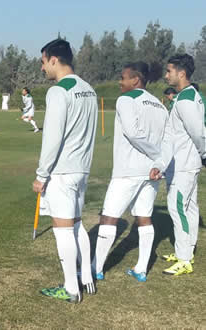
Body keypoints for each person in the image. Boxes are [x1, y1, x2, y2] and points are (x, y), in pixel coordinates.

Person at [33, 39, 98, 303]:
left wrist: (41, 175)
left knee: (62, 229)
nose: (41, 68)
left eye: (43, 62)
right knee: (77, 225)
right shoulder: (89, 89)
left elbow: (52, 137)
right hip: (82, 169)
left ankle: (71, 288)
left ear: (54, 60)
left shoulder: (59, 91)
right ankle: (87, 277)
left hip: (61, 171)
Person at [91, 62, 168, 283]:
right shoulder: (159, 105)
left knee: (108, 218)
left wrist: (155, 155)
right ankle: (141, 269)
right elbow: (167, 139)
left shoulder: (126, 99)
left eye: (123, 77)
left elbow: (133, 134)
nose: (120, 81)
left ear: (136, 80)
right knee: (144, 217)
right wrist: (159, 161)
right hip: (152, 172)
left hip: (128, 170)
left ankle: (96, 267)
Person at [149, 54, 205, 276]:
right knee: (190, 208)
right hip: (180, 164)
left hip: (184, 166)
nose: (166, 75)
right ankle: (187, 252)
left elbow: (198, 133)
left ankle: (184, 259)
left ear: (181, 73)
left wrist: (204, 154)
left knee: (177, 207)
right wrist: (161, 164)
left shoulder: (186, 101)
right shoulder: (186, 97)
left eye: (169, 71)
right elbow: (172, 137)